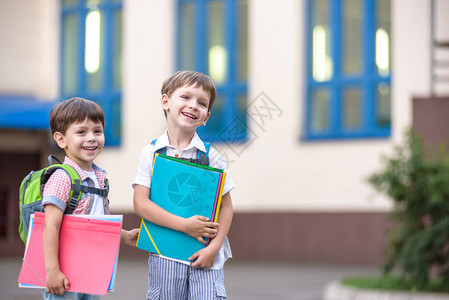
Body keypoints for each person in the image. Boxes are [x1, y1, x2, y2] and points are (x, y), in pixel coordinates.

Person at [133, 70, 235, 299]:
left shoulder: (212, 156)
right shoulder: (152, 153)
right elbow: (141, 203)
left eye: (201, 103)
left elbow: (226, 207)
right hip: (165, 254)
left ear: (206, 116)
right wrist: (185, 225)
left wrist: (213, 249)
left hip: (205, 256)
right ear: (166, 101)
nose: (193, 105)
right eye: (186, 97)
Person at [42, 97, 139, 299]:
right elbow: (50, 226)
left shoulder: (100, 178)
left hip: (92, 269)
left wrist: (124, 235)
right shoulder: (62, 177)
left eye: (97, 131)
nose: (92, 138)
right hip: (65, 272)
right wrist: (52, 271)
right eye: (81, 132)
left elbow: (95, 223)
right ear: (61, 139)